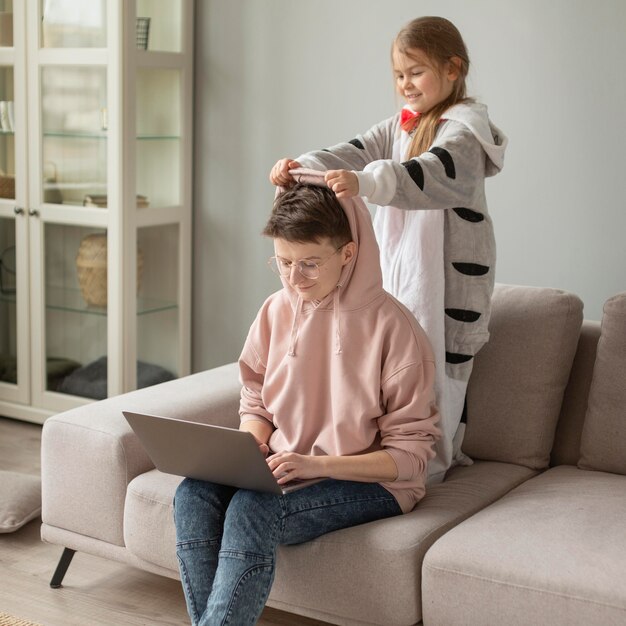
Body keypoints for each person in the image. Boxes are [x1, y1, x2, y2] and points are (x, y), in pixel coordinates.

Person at [174, 171, 440, 625]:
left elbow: (411, 459)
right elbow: (256, 400)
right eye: (283, 262)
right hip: (289, 469)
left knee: (253, 507)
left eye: (310, 264)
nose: (294, 278)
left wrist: (316, 466)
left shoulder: (395, 330)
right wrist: (252, 444)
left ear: (348, 253)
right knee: (193, 493)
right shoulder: (275, 310)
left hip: (374, 484)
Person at [270, 16, 508, 483]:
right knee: (391, 360)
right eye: (399, 75)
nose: (406, 84)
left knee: (442, 369)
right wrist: (301, 166)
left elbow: (426, 173)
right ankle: (384, 454)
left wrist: (365, 181)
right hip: (404, 273)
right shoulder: (399, 127)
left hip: (451, 283)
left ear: (453, 69)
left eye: (416, 72)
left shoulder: (465, 135)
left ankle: (429, 464)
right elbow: (352, 152)